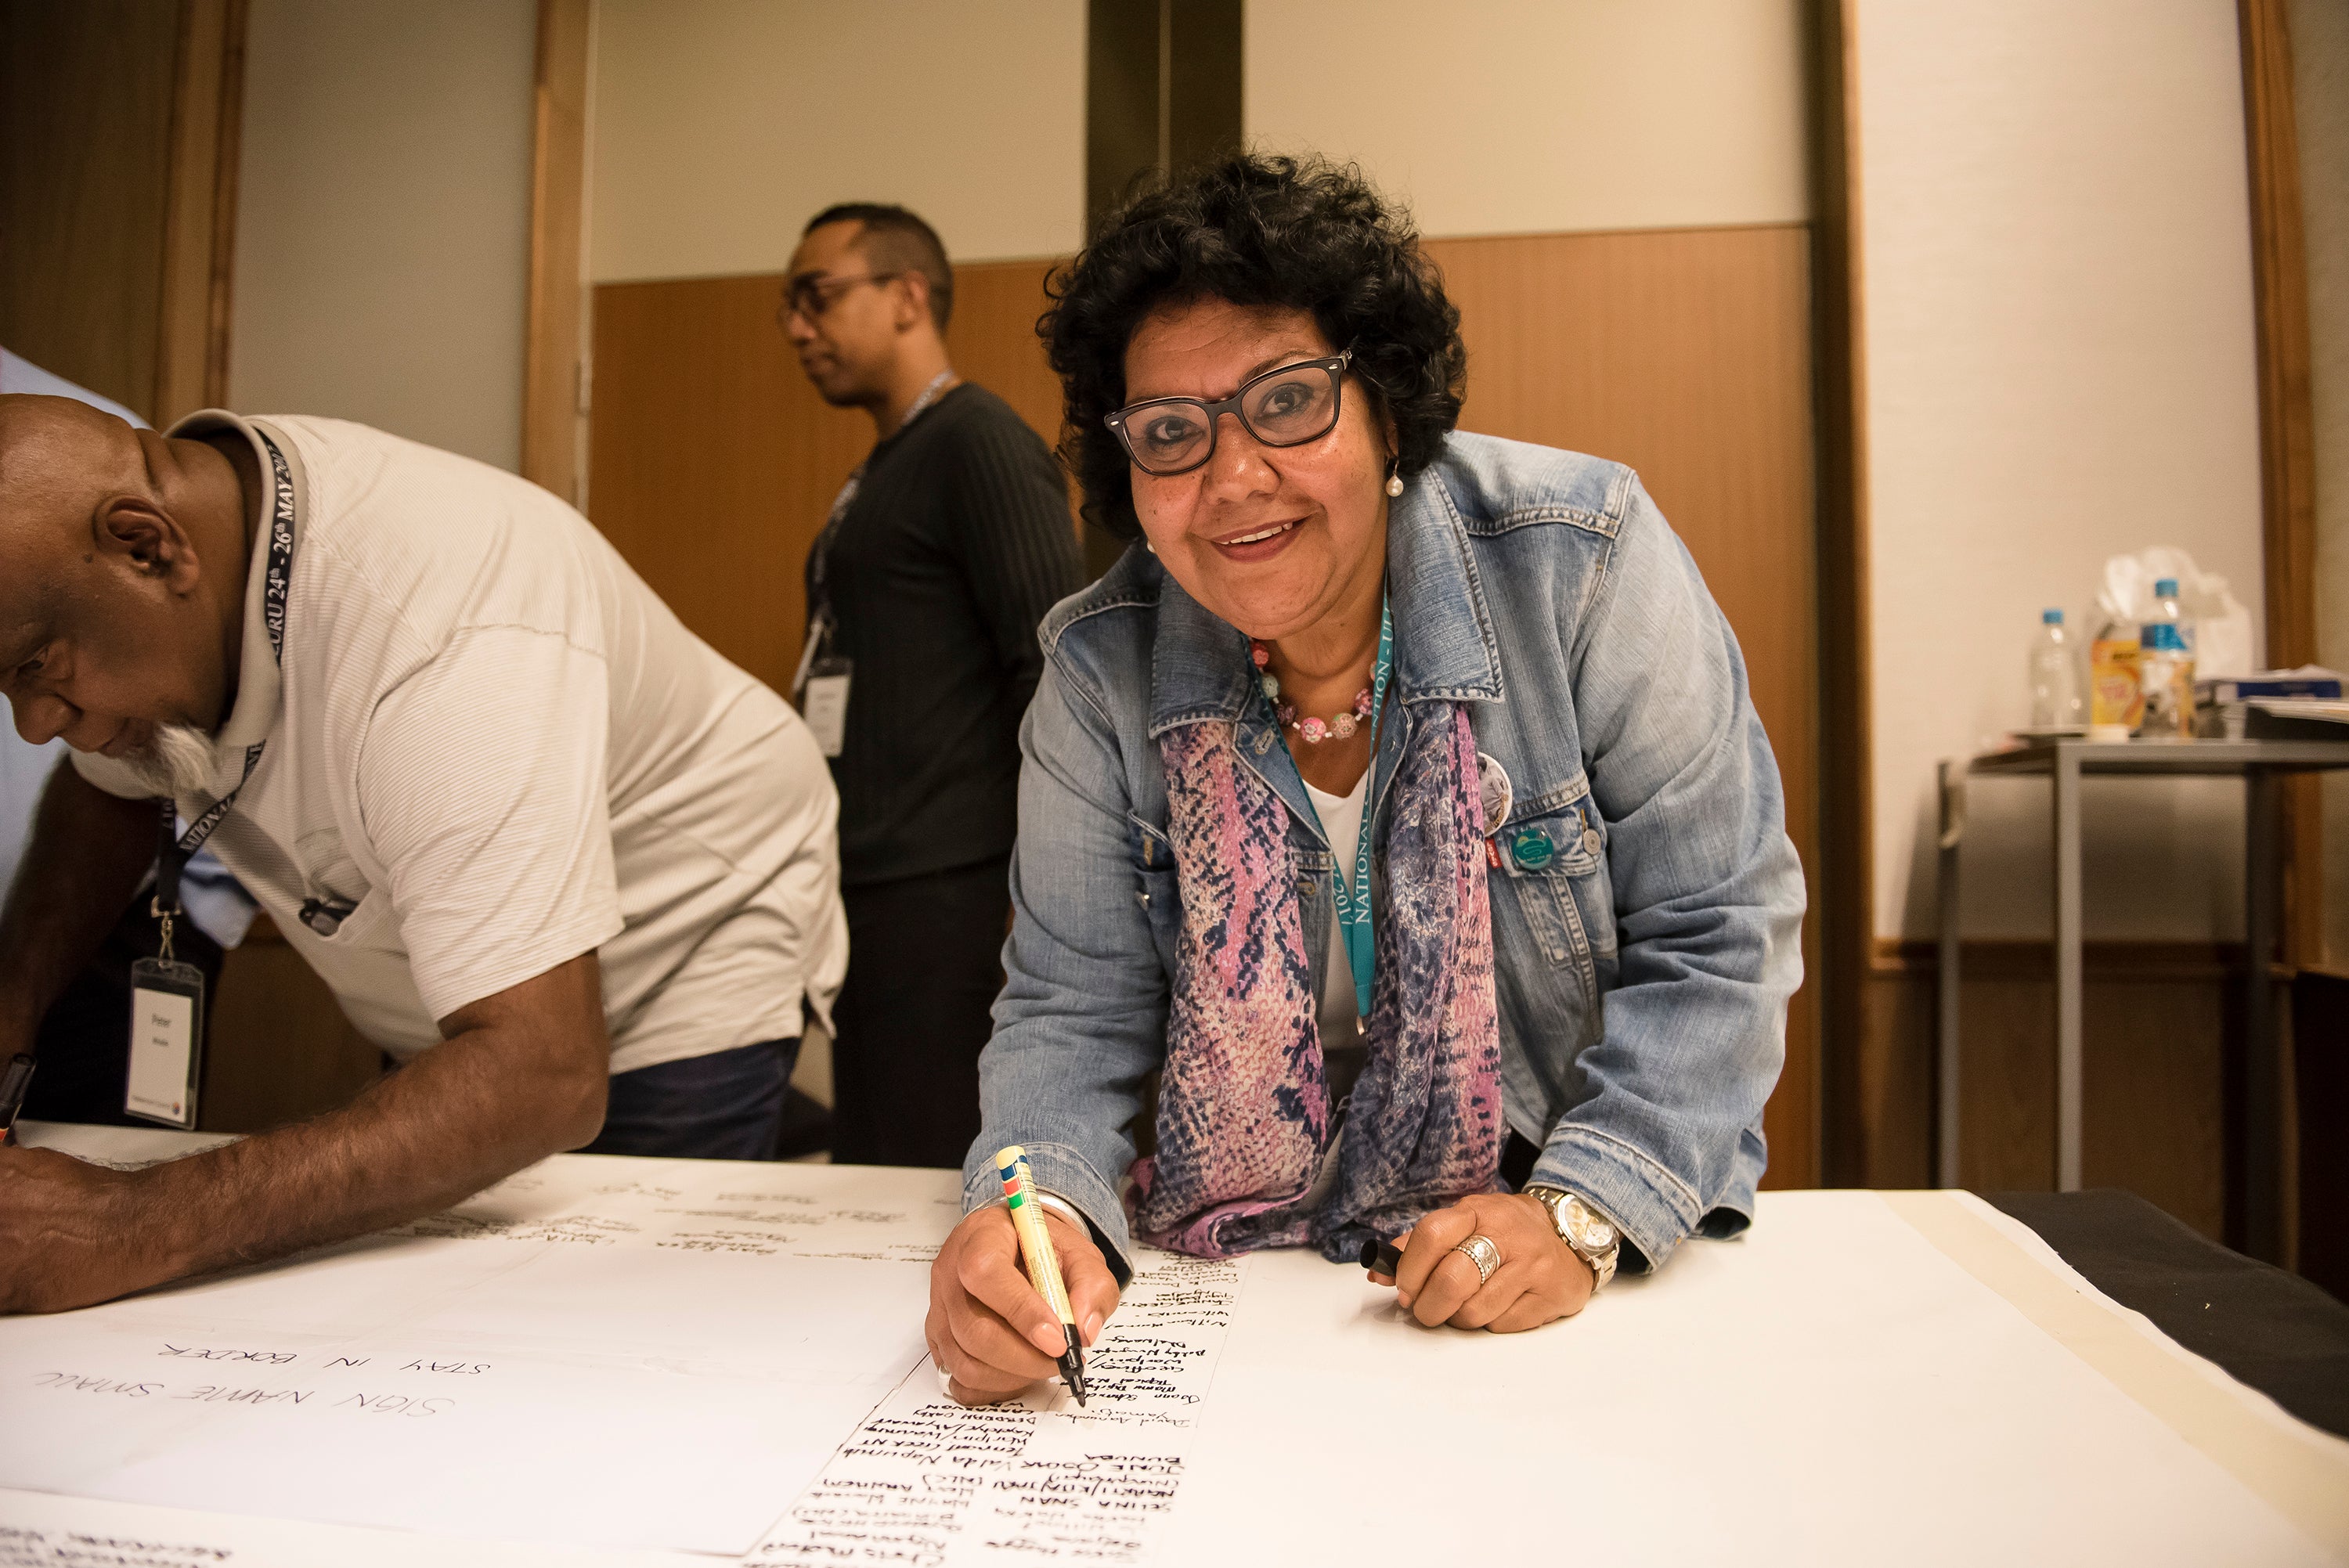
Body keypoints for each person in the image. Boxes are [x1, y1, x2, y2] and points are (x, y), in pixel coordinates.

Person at [926, 154, 1805, 1403]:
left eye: (1286, 402)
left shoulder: (1581, 563)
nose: (1230, 477)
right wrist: (1040, 1210)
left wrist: (1587, 1210)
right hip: (1233, 1283)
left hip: (1543, 1253)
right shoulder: (1096, 667)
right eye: (1170, 432)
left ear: (1388, 413)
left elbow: (1723, 926)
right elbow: (1070, 1009)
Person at [0, 398, 846, 1313]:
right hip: (483, 1009)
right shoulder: (192, 563)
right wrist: (10, 1011)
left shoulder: (443, 637)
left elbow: (541, 1072)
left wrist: (133, 1221)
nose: (36, 725)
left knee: (604, 1323)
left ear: (148, 547)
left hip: (683, 938)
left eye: (40, 667)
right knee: (431, 1299)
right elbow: (104, 794)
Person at [782, 203, 1082, 1167]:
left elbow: (1055, 669)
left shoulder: (976, 441)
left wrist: (1035, 890)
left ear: (908, 295)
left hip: (946, 890)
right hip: (868, 880)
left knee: (920, 1165)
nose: (797, 326)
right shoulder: (886, 464)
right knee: (869, 1157)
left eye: (817, 296)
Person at [0, 349, 257, 1127]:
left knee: (92, 1203)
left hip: (120, 920)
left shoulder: (65, 446)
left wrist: (195, 915)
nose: (35, 727)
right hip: (41, 934)